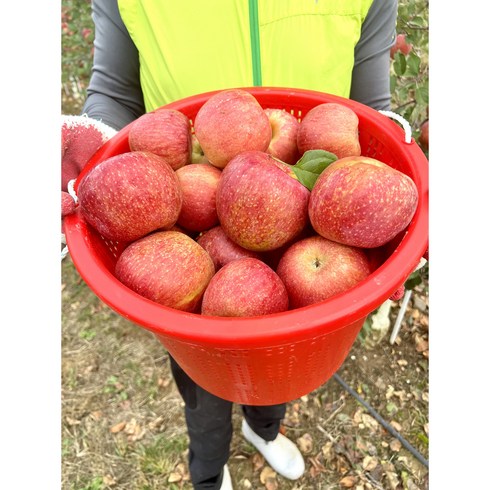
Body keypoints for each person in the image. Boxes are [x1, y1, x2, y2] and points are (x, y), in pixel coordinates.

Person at [63, 1, 398, 488]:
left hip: (310, 200)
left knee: (279, 353)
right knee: (202, 384)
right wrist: (97, 136)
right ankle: (208, 469)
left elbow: (370, 108)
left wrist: (386, 191)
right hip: (178, 204)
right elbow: (114, 89)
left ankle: (264, 430)